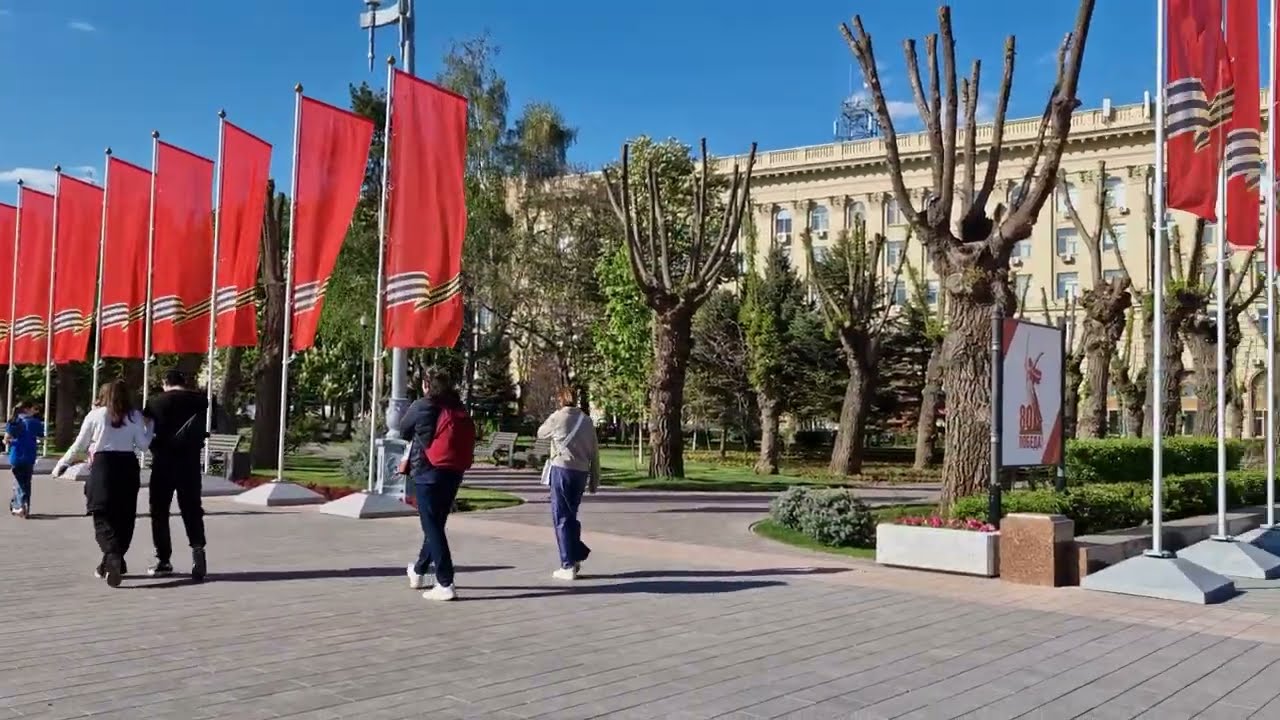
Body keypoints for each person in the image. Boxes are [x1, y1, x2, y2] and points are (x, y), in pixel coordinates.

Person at [54, 380, 152, 588]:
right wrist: (150, 426)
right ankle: (113, 562)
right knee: (125, 516)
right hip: (127, 466)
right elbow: (143, 447)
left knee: (102, 515)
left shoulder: (95, 415)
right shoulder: (134, 416)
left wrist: (62, 464)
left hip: (103, 466)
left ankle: (113, 557)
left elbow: (79, 444)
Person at [400, 366, 475, 602]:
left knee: (432, 527)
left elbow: (403, 430)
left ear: (426, 385)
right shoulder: (457, 407)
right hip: (453, 472)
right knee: (435, 525)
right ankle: (419, 570)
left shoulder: (422, 406)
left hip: (427, 472)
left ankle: (445, 582)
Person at [144, 370, 214, 582]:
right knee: (192, 508)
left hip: (163, 463)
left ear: (165, 383)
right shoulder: (201, 401)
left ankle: (163, 559)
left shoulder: (155, 403)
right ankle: (198, 548)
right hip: (190, 463)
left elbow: (147, 432)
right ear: (185, 382)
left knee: (159, 512)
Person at [536, 388, 600, 580]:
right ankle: (576, 554)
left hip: (562, 470)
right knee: (571, 515)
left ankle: (568, 564)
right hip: (581, 472)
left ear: (559, 400)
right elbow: (595, 451)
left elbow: (541, 433)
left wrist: (555, 416)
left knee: (561, 517)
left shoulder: (558, 418)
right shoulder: (587, 420)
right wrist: (595, 478)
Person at [6, 400, 44, 519]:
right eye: (33, 408)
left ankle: (20, 505)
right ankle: (24, 504)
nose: (35, 410)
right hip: (29, 456)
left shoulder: (13, 422)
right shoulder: (35, 422)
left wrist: (9, 441)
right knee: (26, 481)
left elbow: (7, 439)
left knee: (18, 481)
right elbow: (41, 436)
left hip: (16, 456)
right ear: (27, 409)